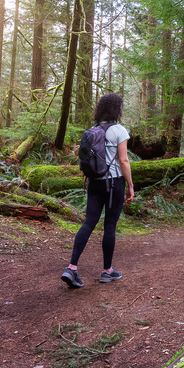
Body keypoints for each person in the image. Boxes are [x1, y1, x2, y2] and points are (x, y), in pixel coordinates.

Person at [61, 92, 135, 288]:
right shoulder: (119, 130)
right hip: (114, 183)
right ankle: (107, 271)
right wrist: (130, 184)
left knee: (89, 222)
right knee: (110, 225)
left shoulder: (93, 130)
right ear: (117, 109)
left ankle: (72, 268)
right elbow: (124, 160)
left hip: (94, 182)